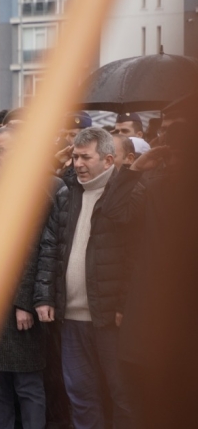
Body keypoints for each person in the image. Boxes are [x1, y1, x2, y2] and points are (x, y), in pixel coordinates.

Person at [35, 127, 143, 429]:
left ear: (108, 160)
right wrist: (44, 296)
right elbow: (50, 248)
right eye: (74, 156)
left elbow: (133, 259)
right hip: (71, 319)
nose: (77, 164)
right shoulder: (66, 195)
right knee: (81, 395)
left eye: (85, 157)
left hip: (109, 319)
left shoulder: (126, 196)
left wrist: (124, 306)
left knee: (121, 394)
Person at [0, 127, 47, 429]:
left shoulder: (35, 191)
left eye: (1, 150)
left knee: (27, 384)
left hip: (20, 305)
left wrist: (23, 303)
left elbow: (35, 251)